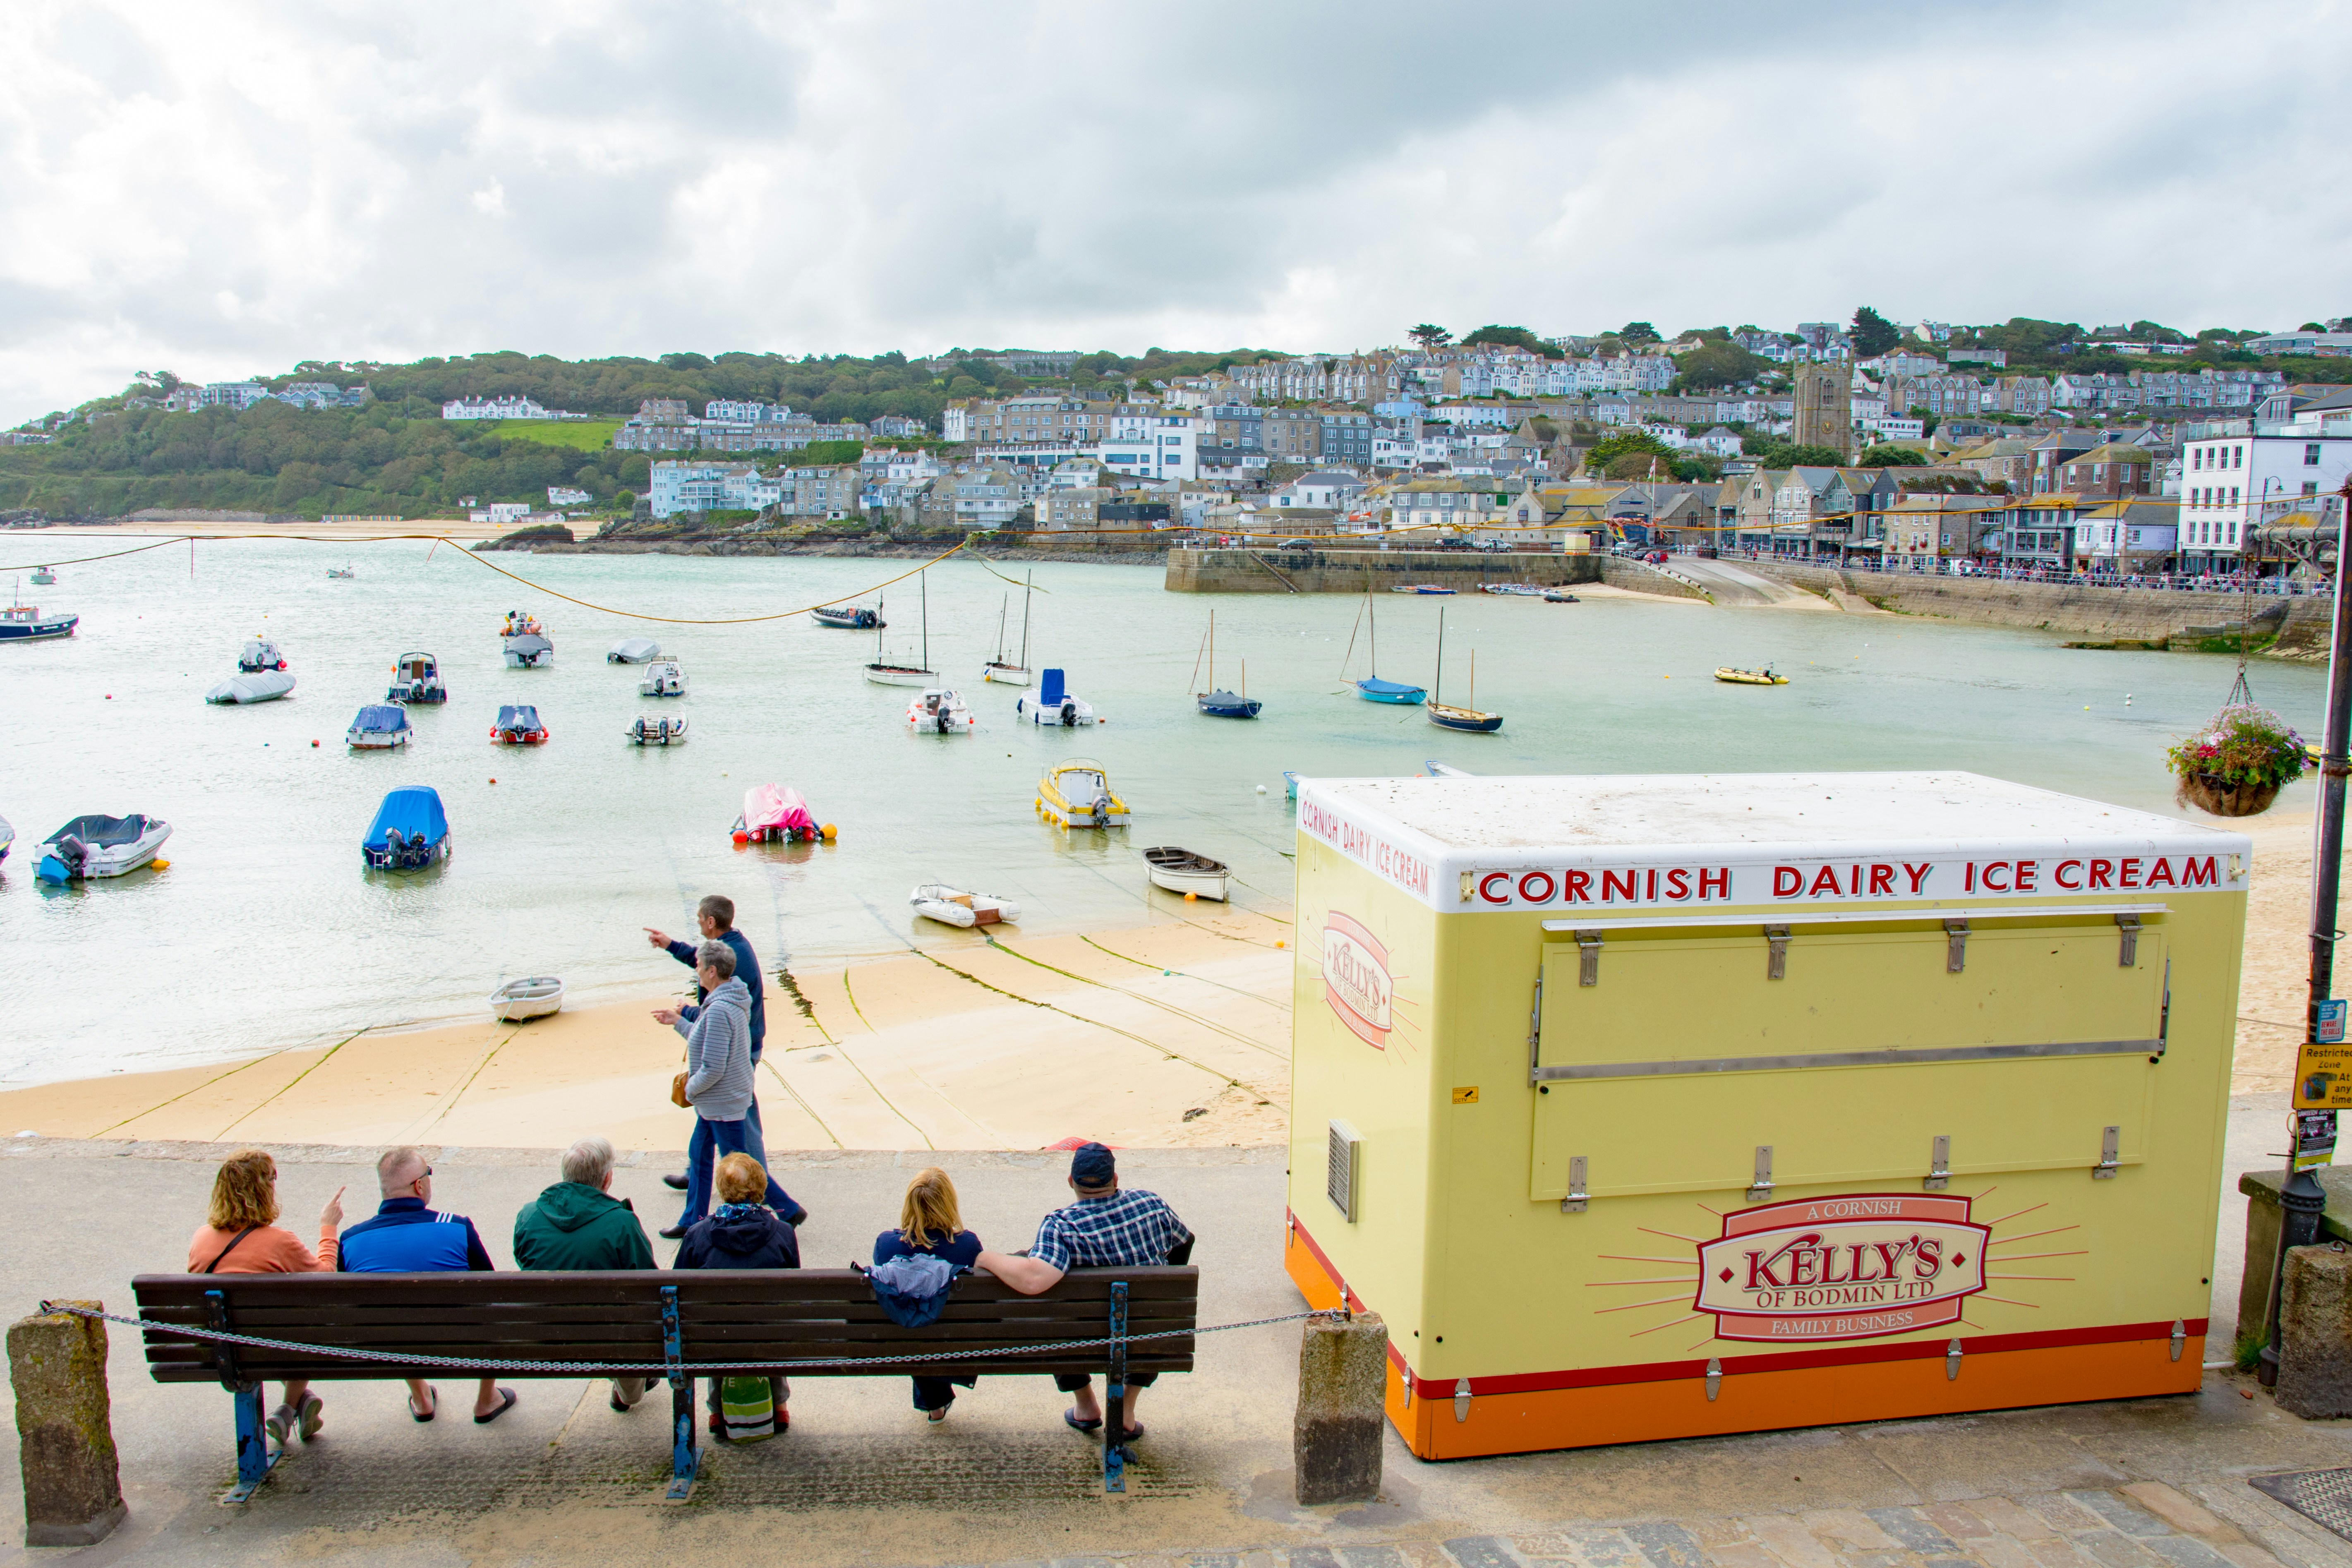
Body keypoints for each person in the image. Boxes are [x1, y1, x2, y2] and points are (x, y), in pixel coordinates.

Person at [975, 1142, 1192, 1446]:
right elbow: (1184, 1241)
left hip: (1084, 1341)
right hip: (1148, 1337)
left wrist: (985, 1258)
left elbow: (1034, 1281)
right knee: (1153, 1318)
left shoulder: (1062, 1226)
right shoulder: (1151, 1205)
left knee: (1053, 1316)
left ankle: (1086, 1405)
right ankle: (1125, 1411)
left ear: (1070, 1182)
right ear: (1115, 1180)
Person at [339, 1146, 515, 1424]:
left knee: (392, 1320)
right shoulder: (456, 1227)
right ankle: (486, 1399)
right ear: (420, 1185)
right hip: (460, 1341)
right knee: (493, 1312)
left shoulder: (351, 1240)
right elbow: (490, 1289)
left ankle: (421, 1397)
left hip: (386, 1347)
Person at [644, 895, 794, 1218]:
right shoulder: (729, 950)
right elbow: (702, 964)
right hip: (731, 1053)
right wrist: (671, 946)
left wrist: (691, 1089)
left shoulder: (727, 973)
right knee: (706, 1145)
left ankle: (769, 1195)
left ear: (711, 922)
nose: (699, 925)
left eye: (700, 920)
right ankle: (695, 1207)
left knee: (740, 1136)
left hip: (735, 1057)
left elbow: (716, 1045)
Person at [185, 1148, 345, 1448]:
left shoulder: (201, 1238)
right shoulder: (280, 1242)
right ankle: (287, 1409)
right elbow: (325, 1278)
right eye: (273, 1179)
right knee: (305, 1327)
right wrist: (329, 1227)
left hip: (220, 1348)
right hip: (273, 1348)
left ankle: (298, 1404)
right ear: (263, 1190)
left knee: (262, 1331)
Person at [512, 1135, 656, 1412]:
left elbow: (523, 1260)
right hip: (608, 1338)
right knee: (633, 1321)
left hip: (544, 1332)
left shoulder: (529, 1215)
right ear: (607, 1179)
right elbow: (647, 1283)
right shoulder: (621, 1222)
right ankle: (628, 1394)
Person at [674, 1152, 798, 1437]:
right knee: (770, 1319)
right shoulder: (782, 1232)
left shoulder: (697, 1234)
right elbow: (791, 1291)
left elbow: (678, 1286)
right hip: (769, 1335)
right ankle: (779, 1406)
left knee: (717, 1322)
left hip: (714, 1339)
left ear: (721, 1190)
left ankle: (717, 1411)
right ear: (760, 1187)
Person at [652, 941, 755, 1239]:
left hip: (722, 1102)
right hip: (717, 1102)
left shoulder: (721, 1008)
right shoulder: (724, 1000)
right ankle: (692, 1220)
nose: (695, 969)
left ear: (712, 971)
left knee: (737, 1167)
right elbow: (704, 1038)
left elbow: (712, 1067)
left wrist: (690, 1091)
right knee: (699, 1155)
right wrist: (677, 1021)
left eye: (698, 965)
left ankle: (771, 1215)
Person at [874, 1167, 983, 1422]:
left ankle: (935, 1403)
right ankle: (936, 1403)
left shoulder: (887, 1244)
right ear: (949, 1203)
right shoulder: (968, 1245)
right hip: (956, 1337)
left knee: (912, 1315)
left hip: (903, 1337)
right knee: (931, 1316)